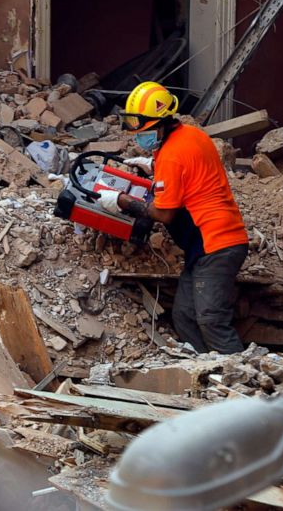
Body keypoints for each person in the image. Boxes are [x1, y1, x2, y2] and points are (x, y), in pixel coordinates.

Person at [97, 81, 250, 354]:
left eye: (143, 129)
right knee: (185, 316)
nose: (139, 136)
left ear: (161, 122)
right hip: (206, 246)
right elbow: (190, 172)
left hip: (216, 244)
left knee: (210, 318)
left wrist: (121, 201)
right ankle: (207, 373)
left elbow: (164, 213)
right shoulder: (191, 136)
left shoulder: (172, 154)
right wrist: (155, 166)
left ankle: (241, 381)